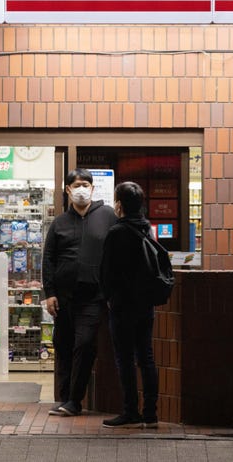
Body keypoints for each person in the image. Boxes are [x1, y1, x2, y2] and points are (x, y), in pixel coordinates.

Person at [41, 168, 117, 417]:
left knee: (84, 345)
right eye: (77, 185)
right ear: (68, 190)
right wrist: (49, 292)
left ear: (93, 189)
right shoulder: (59, 223)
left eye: (86, 184)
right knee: (63, 346)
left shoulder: (107, 215)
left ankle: (75, 400)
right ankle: (65, 398)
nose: (81, 189)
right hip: (63, 298)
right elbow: (49, 258)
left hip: (94, 297)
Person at [100, 181, 160, 428]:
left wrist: (109, 298)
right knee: (146, 357)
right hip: (145, 304)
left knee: (125, 359)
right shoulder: (147, 229)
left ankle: (130, 411)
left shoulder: (116, 232)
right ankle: (151, 413)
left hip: (123, 305)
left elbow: (106, 271)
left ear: (120, 204)